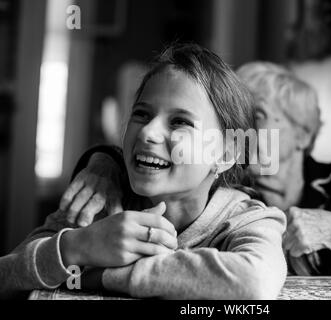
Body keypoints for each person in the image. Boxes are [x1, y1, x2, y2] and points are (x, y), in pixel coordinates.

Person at [57, 62, 331, 276]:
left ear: (303, 134)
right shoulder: (218, 178)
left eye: (256, 115)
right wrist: (101, 163)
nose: (238, 127)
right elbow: (143, 159)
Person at [0, 45, 287, 299]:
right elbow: (5, 278)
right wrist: (77, 247)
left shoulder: (248, 219)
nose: (148, 132)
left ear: (226, 153)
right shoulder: (97, 203)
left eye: (179, 122)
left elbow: (254, 281)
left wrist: (101, 276)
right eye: (141, 114)